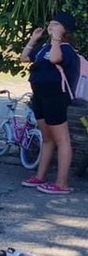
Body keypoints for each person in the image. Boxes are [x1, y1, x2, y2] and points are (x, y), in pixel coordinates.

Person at [20, 12, 79, 195]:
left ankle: (62, 183)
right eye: (50, 24)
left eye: (55, 24)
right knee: (47, 138)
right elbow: (24, 58)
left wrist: (56, 40)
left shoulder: (67, 49)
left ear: (65, 28)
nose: (50, 26)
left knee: (62, 139)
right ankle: (40, 176)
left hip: (56, 97)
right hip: (40, 96)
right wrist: (33, 40)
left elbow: (55, 59)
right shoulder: (44, 47)